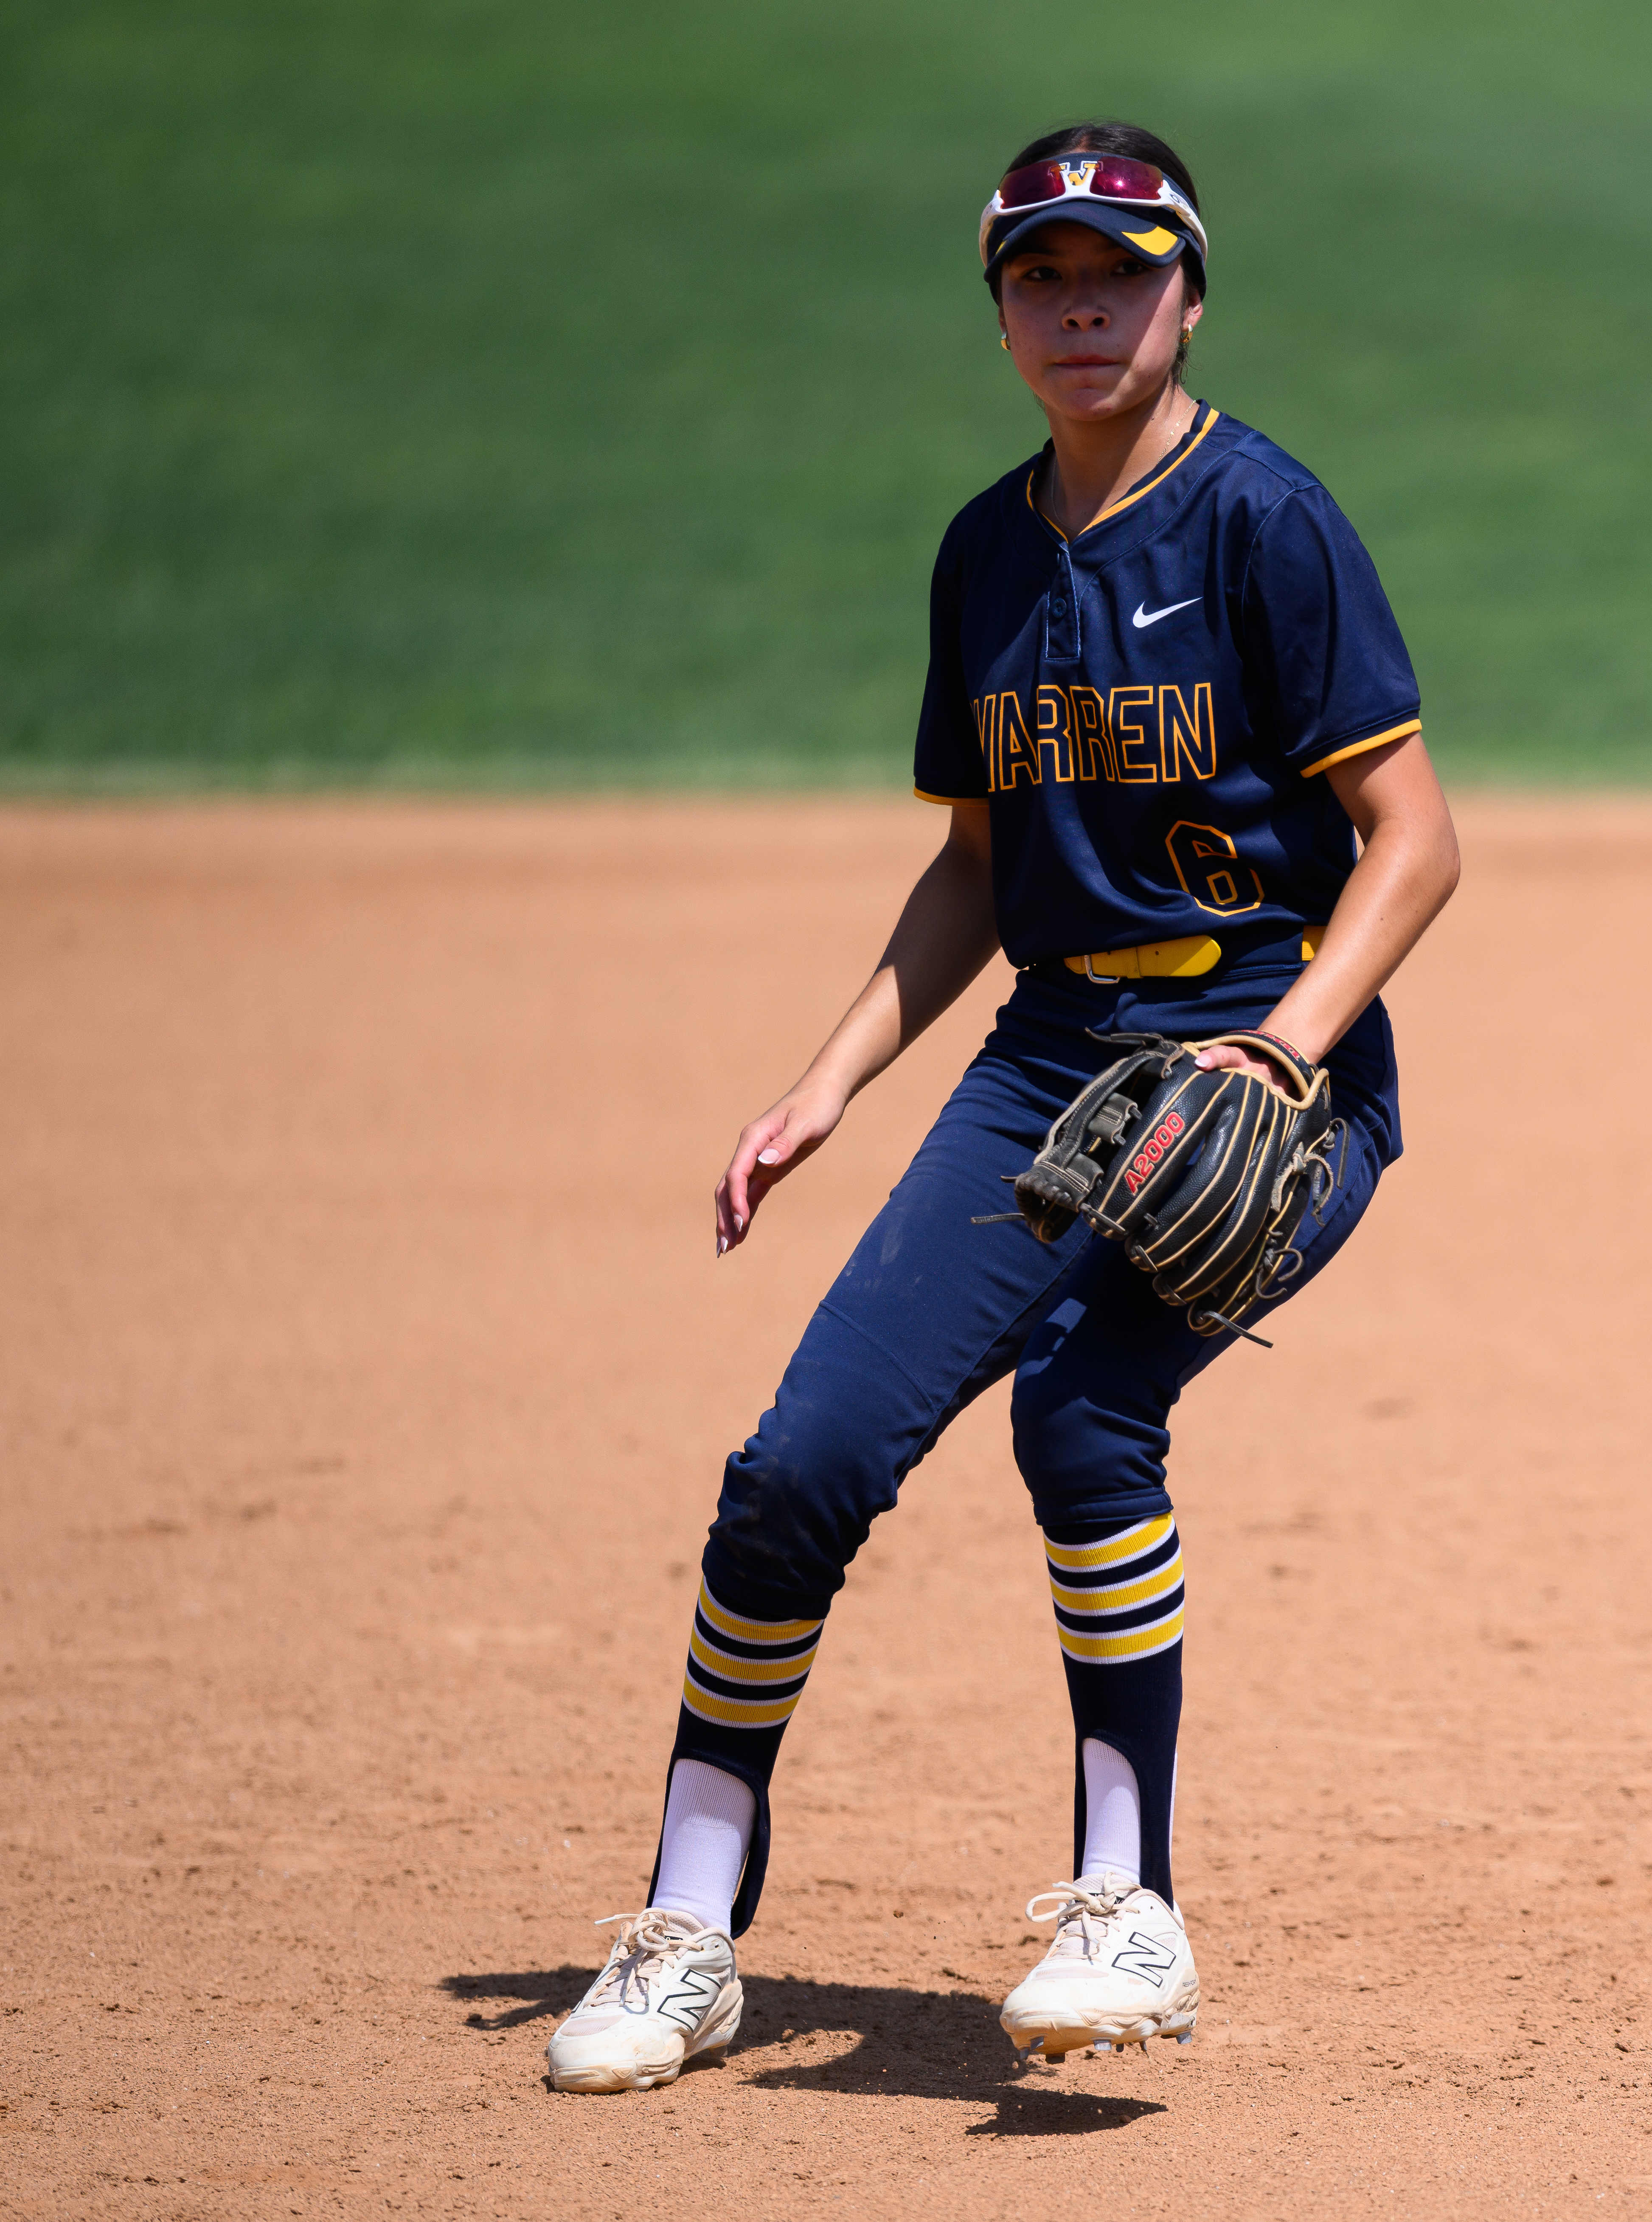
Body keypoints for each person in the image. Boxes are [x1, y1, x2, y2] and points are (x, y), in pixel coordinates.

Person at [547, 120, 1461, 2090]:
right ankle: (690, 1927)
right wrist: (826, 1082)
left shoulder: (1264, 524)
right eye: (1043, 277)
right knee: (798, 1469)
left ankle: (1126, 1911)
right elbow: (978, 866)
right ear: (998, 311)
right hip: (1046, 1071)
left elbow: (1414, 839)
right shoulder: (984, 553)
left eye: (1121, 272)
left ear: (1187, 295)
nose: (1083, 307)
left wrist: (1290, 1044)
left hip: (1265, 1077)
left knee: (1085, 1411)